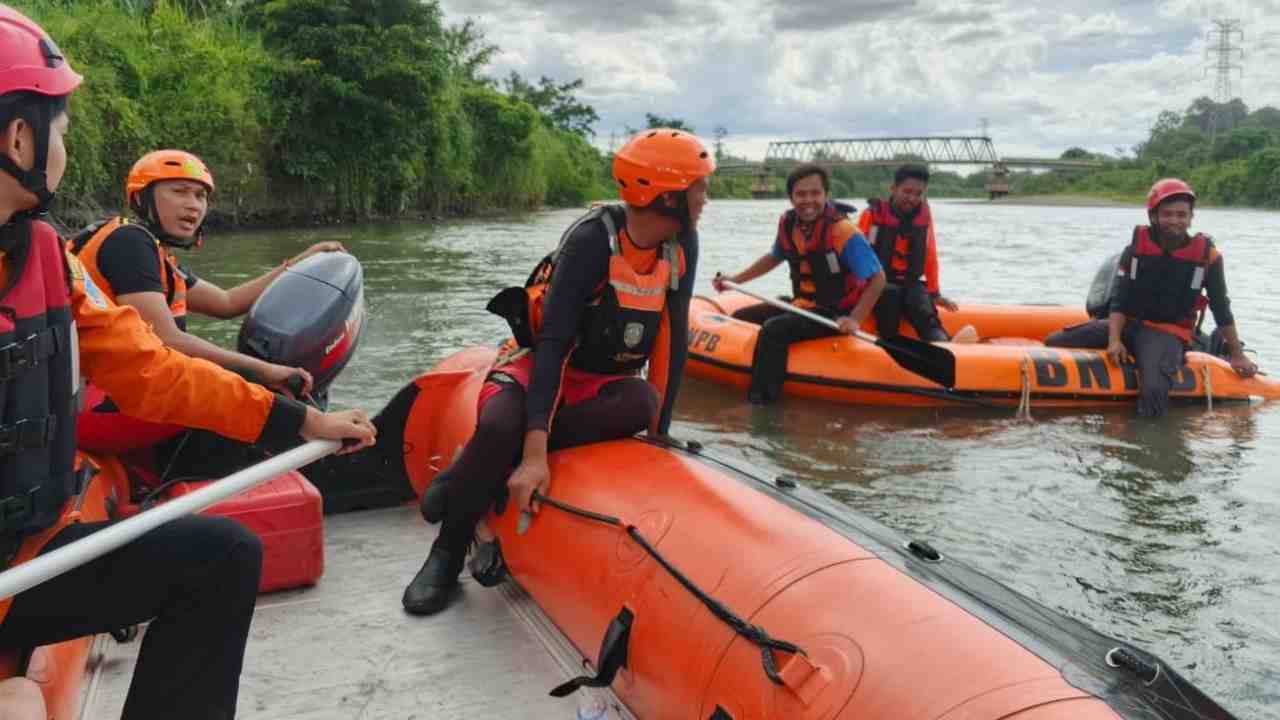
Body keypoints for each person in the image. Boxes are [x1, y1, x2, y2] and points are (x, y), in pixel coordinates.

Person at [0, 7, 376, 718]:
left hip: (31, 551)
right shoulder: (124, 244)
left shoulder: (44, 254)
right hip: (40, 532)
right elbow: (163, 352)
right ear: (21, 137)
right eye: (63, 128)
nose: (66, 145)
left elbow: (153, 363)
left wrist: (297, 421)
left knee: (221, 555)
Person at [401, 128, 714, 615]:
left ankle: (476, 464)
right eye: (699, 189)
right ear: (666, 196)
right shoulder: (592, 240)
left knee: (641, 404)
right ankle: (445, 551)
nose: (705, 200)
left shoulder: (681, 246)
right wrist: (533, 457)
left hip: (602, 379)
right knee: (504, 424)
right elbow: (553, 346)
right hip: (538, 365)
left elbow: (671, 339)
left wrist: (661, 432)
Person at [68, 150, 343, 456]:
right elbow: (167, 340)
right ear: (142, 199)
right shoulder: (129, 242)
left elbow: (227, 302)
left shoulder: (157, 258)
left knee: (262, 384)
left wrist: (298, 263)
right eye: (179, 192)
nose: (193, 205)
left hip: (112, 400)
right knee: (264, 391)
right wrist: (263, 370)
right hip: (103, 406)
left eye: (200, 196)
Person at [1045, 178, 1256, 417]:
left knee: (1153, 392)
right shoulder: (1135, 250)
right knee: (1055, 340)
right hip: (1129, 326)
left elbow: (1221, 308)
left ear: (1190, 218)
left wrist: (1238, 355)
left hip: (1167, 333)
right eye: (1167, 214)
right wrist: (1114, 341)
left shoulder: (1209, 257)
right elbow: (1120, 298)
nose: (1174, 221)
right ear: (1153, 216)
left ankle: (1152, 437)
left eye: (1181, 215)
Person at [712, 163, 885, 404]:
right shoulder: (789, 224)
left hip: (833, 314)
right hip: (802, 305)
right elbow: (774, 257)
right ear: (791, 197)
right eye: (801, 194)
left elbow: (878, 279)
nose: (808, 200)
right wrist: (735, 280)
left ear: (827, 195)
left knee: (774, 330)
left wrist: (854, 318)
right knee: (742, 316)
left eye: (815, 193)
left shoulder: (843, 231)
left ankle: (762, 404)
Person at [857, 164, 974, 343]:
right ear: (894, 189)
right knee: (891, 296)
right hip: (878, 283)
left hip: (910, 283)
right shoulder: (873, 215)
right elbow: (855, 254)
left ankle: (946, 347)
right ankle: (889, 346)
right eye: (907, 191)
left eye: (918, 194)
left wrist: (935, 293)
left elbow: (929, 255)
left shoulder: (924, 217)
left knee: (922, 307)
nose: (912, 198)